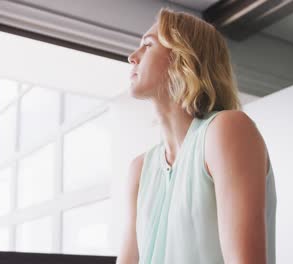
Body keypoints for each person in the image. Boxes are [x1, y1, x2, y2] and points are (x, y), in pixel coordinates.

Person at [116, 7, 277, 264]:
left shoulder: (226, 130)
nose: (132, 57)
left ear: (182, 58)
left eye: (148, 45)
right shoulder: (139, 169)